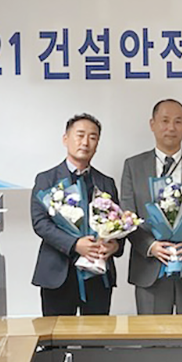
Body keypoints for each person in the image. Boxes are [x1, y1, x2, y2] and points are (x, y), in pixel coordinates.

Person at [122, 99, 182, 314]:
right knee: (152, 334)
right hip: (150, 270)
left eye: (178, 121)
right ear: (152, 124)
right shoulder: (133, 166)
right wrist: (150, 246)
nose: (171, 127)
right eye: (165, 121)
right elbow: (127, 217)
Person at [30, 113, 121, 316]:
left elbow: (119, 223)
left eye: (92, 137)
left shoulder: (106, 183)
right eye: (80, 135)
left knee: (97, 334)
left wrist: (114, 245)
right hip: (58, 273)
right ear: (66, 139)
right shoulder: (46, 179)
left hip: (98, 275)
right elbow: (40, 223)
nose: (85, 142)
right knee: (56, 334)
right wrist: (75, 244)